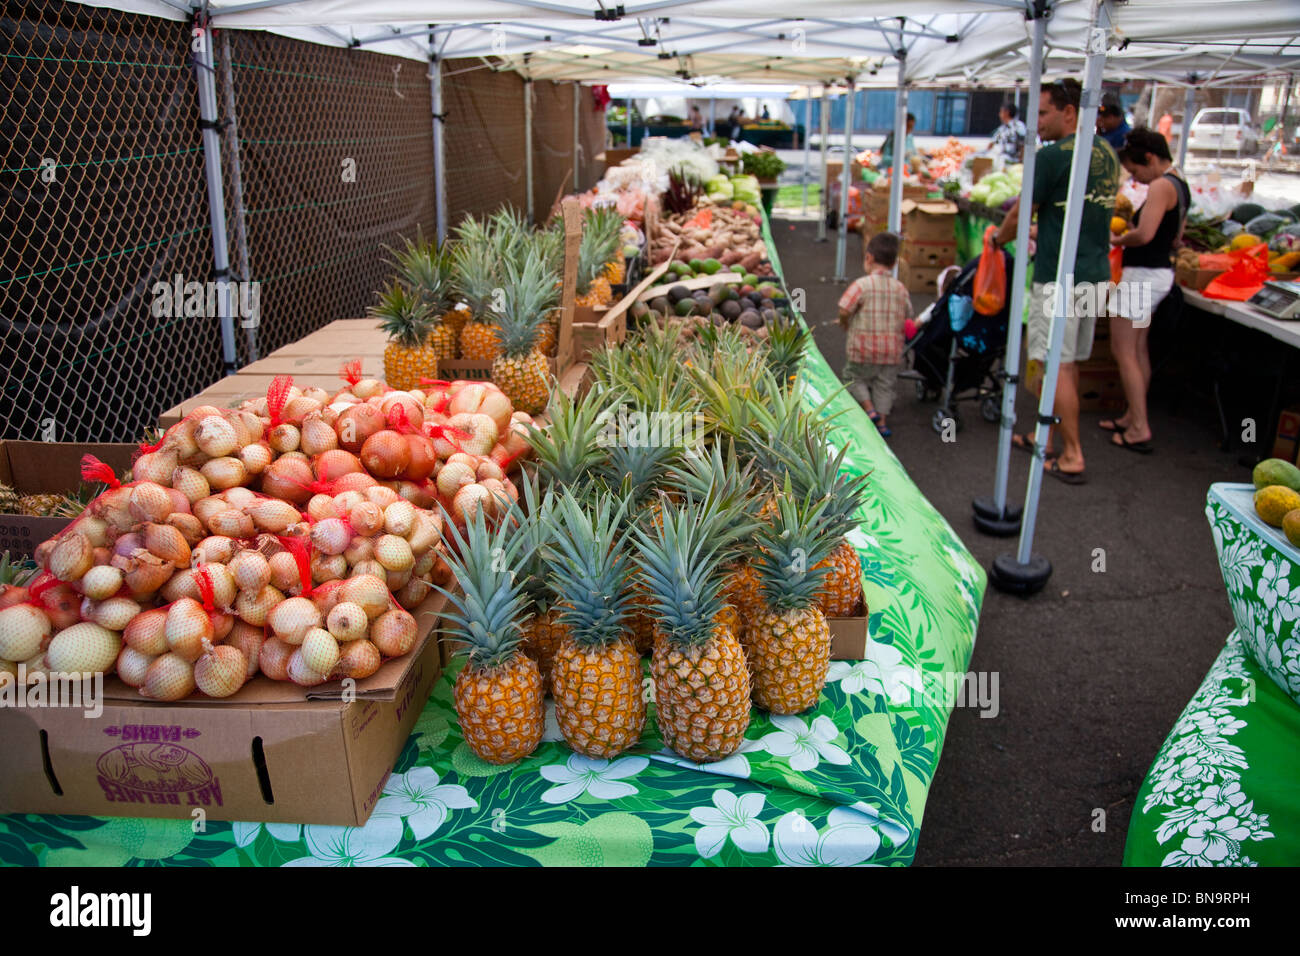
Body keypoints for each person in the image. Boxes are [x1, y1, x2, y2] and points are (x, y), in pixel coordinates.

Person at [993, 77, 1121, 484]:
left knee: (1055, 366)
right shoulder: (1106, 152)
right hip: (1095, 273)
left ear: (1069, 112)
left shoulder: (1052, 157)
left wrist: (998, 239)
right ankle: (1045, 437)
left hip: (1059, 278)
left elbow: (1019, 213)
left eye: (1044, 113)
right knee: (1068, 365)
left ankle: (1072, 455)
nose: (1038, 123)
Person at [1103, 127, 1189, 454]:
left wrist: (1118, 240)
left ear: (1150, 157)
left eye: (1137, 170)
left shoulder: (1162, 186)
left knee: (1123, 350)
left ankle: (1139, 425)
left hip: (1142, 276)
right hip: (1158, 275)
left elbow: (1144, 234)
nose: (1136, 177)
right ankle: (1131, 416)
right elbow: (1176, 237)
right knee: (1138, 350)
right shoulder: (1180, 186)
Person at [837, 232, 912, 437]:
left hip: (863, 348)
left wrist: (845, 322)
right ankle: (882, 422)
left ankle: (869, 409)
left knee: (853, 377)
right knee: (884, 385)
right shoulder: (900, 289)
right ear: (894, 263)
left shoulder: (862, 285)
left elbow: (845, 308)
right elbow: (908, 314)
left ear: (868, 258)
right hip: (891, 350)